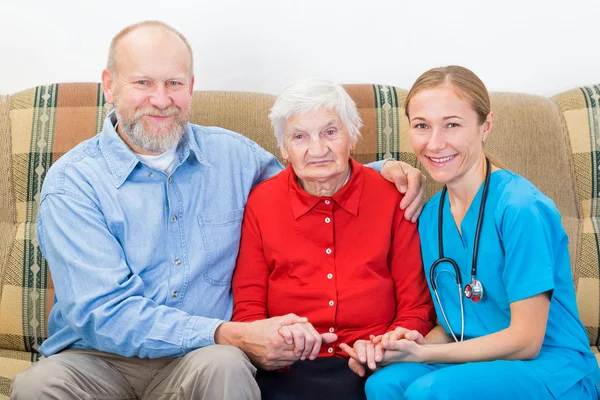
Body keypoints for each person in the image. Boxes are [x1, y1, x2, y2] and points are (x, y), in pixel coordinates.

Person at [9, 21, 426, 400]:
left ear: (191, 87)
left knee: (226, 366)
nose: (160, 99)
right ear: (109, 85)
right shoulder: (72, 184)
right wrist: (225, 332)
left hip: (203, 358)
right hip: (98, 360)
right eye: (143, 82)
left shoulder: (233, 156)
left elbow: (306, 179)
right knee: (36, 386)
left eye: (173, 83)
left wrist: (384, 173)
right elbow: (101, 313)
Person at [342, 65, 600, 399]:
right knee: (384, 383)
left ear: (485, 126)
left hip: (552, 367)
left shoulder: (521, 208)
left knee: (430, 391)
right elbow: (457, 327)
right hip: (479, 360)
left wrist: (425, 354)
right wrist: (402, 345)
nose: (435, 143)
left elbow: (527, 340)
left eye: (452, 125)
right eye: (422, 126)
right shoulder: (430, 215)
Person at [231, 79, 436, 399]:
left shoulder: (393, 197)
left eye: (330, 132)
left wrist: (388, 344)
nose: (318, 149)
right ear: (283, 149)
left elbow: (416, 304)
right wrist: (274, 344)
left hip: (374, 364)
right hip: (289, 366)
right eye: (300, 137)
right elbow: (249, 308)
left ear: (352, 137)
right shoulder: (261, 202)